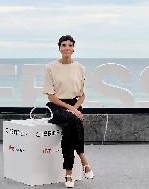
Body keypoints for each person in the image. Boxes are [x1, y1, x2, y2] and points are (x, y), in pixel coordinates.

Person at [43, 35, 94, 188]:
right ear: (59, 48)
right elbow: (51, 97)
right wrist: (73, 110)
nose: (67, 48)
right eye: (64, 45)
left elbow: (82, 95)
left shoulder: (80, 68)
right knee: (73, 120)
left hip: (75, 105)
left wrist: (75, 108)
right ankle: (83, 159)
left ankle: (68, 173)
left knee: (70, 127)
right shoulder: (50, 67)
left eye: (70, 45)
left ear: (73, 48)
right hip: (57, 107)